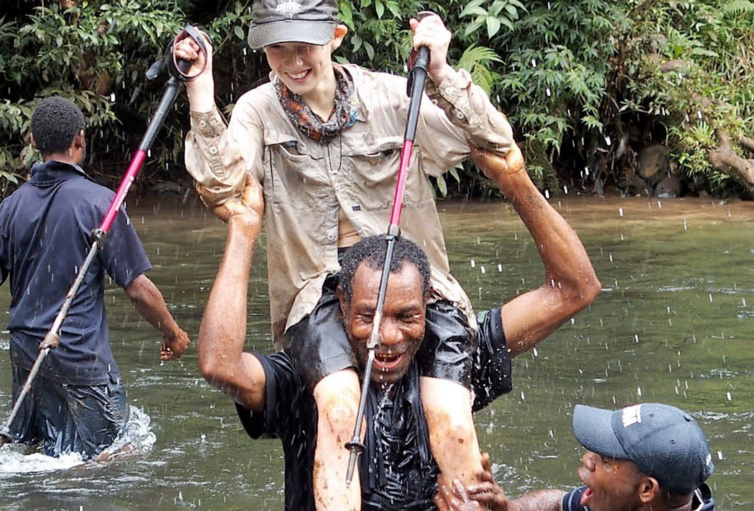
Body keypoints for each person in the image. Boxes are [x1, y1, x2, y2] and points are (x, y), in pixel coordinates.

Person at [174, 1, 518, 507]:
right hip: (316, 296)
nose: (292, 61)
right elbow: (224, 186)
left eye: (304, 47)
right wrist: (200, 91)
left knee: (450, 415)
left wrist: (441, 71)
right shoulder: (256, 110)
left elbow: (494, 142)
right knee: (337, 408)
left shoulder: (392, 95)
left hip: (415, 288)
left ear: (336, 36)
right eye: (278, 49)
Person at [196, 144, 601, 510]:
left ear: (430, 303)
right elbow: (220, 364)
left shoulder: (451, 358)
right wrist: (244, 228)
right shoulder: (310, 377)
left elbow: (573, 290)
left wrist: (514, 182)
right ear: (341, 306)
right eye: (367, 316)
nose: (387, 337)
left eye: (406, 316)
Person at [0, 96, 190, 460]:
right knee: (121, 453)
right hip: (81, 358)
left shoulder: (10, 208)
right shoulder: (100, 204)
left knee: (36, 452)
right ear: (80, 140)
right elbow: (138, 288)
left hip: (27, 354)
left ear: (33, 142)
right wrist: (173, 333)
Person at [433, 403, 715, 511]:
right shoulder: (627, 502)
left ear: (646, 489)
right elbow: (555, 503)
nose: (587, 459)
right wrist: (509, 510)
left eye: (605, 460)